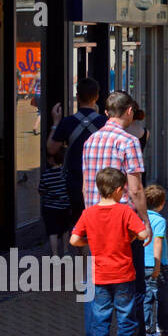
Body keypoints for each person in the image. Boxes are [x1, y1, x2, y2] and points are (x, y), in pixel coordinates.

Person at [82, 91, 153, 336]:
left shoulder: (90, 141)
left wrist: (88, 216)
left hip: (94, 219)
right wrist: (144, 221)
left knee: (96, 280)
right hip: (122, 223)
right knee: (128, 280)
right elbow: (135, 189)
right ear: (130, 112)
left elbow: (85, 185)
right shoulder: (129, 142)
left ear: (105, 113)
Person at [71, 167, 151, 336]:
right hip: (124, 274)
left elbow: (74, 240)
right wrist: (129, 238)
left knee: (101, 319)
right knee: (126, 319)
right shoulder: (125, 211)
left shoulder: (88, 213)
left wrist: (92, 242)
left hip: (100, 275)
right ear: (117, 190)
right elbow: (142, 234)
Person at [46, 77, 107, 245]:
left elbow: (51, 148)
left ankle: (84, 255)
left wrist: (55, 123)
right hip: (101, 179)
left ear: (77, 96)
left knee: (81, 221)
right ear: (96, 97)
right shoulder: (105, 122)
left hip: (75, 179)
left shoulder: (68, 122)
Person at [141, 184, 168, 336]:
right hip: (158, 264)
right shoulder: (159, 221)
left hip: (140, 263)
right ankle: (165, 326)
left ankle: (146, 328)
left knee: (145, 296)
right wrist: (157, 265)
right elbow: (158, 242)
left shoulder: (139, 218)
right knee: (163, 296)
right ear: (161, 204)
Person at [38, 147, 71, 257]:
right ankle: (66, 251)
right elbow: (69, 188)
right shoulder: (66, 173)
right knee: (65, 229)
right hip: (64, 206)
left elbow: (41, 190)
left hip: (50, 207)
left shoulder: (46, 174)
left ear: (51, 160)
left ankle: (55, 254)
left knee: (52, 231)